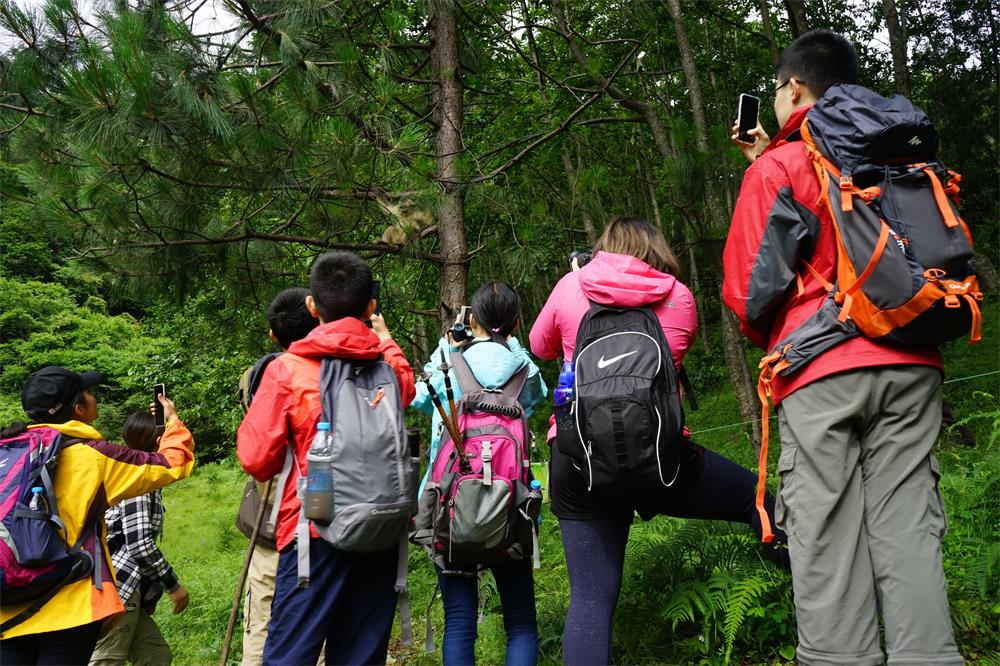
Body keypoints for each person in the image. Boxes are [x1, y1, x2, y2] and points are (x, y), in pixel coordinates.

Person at [723, 29, 963, 666]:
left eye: (776, 93)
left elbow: (748, 291)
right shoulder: (898, 149)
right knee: (910, 530)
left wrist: (764, 169)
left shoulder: (783, 160)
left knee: (825, 537)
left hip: (822, 371)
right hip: (912, 355)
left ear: (794, 87)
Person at [529, 216, 786, 665]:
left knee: (590, 598)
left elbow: (540, 345)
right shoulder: (678, 294)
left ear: (603, 247)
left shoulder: (570, 287)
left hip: (578, 460)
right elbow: (673, 359)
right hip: (662, 460)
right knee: (758, 501)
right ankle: (816, 597)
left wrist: (575, 282)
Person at [236, 251, 415, 666]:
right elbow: (405, 387)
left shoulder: (289, 370)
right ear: (370, 307)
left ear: (312, 306)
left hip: (313, 533)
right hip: (381, 528)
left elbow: (255, 458)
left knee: (290, 655)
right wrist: (384, 338)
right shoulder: (386, 367)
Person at [0, 366, 195, 666]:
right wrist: (171, 421)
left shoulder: (7, 452)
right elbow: (172, 463)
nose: (94, 398)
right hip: (69, 605)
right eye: (89, 393)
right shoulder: (94, 456)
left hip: (8, 604)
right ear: (79, 408)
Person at [413, 281, 547, 665]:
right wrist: (511, 344)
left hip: (449, 504)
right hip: (511, 506)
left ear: (472, 320)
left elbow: (421, 398)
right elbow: (534, 401)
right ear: (518, 322)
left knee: (458, 620)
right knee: (519, 620)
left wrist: (448, 346)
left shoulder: (448, 360)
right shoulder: (524, 369)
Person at [235, 287, 318, 666]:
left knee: (261, 620)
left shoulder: (255, 376)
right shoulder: (332, 372)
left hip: (268, 516)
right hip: (316, 518)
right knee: (314, 624)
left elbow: (255, 455)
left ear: (273, 335)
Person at [89, 411, 190, 666]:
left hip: (120, 585)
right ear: (157, 443)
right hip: (120, 586)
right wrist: (173, 586)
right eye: (166, 437)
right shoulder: (139, 484)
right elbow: (140, 545)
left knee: (155, 655)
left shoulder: (129, 473)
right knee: (107, 659)